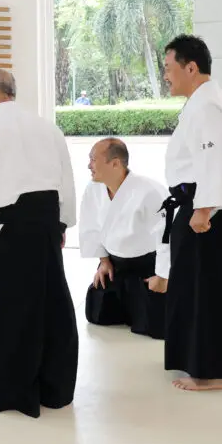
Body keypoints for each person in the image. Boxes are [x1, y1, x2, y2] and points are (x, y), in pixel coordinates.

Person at [0, 67, 78, 418]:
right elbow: (66, 182)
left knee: (2, 314)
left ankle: (4, 391)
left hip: (2, 234)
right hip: (45, 227)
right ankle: (53, 388)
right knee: (48, 307)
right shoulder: (48, 128)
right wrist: (62, 223)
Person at [160, 34, 222, 392]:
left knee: (209, 286)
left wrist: (204, 209)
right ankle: (206, 361)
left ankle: (212, 371)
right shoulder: (212, 99)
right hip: (215, 202)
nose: (166, 75)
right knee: (203, 284)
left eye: (169, 68)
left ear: (191, 67)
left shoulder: (208, 105)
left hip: (210, 208)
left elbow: (217, 159)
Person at [80, 138, 168, 339]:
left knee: (157, 325)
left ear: (115, 163)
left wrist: (163, 276)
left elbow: (167, 236)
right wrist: (103, 261)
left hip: (147, 268)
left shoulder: (150, 191)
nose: (89, 165)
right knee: (97, 313)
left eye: (93, 160)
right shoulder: (93, 189)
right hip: (115, 266)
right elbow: (90, 226)